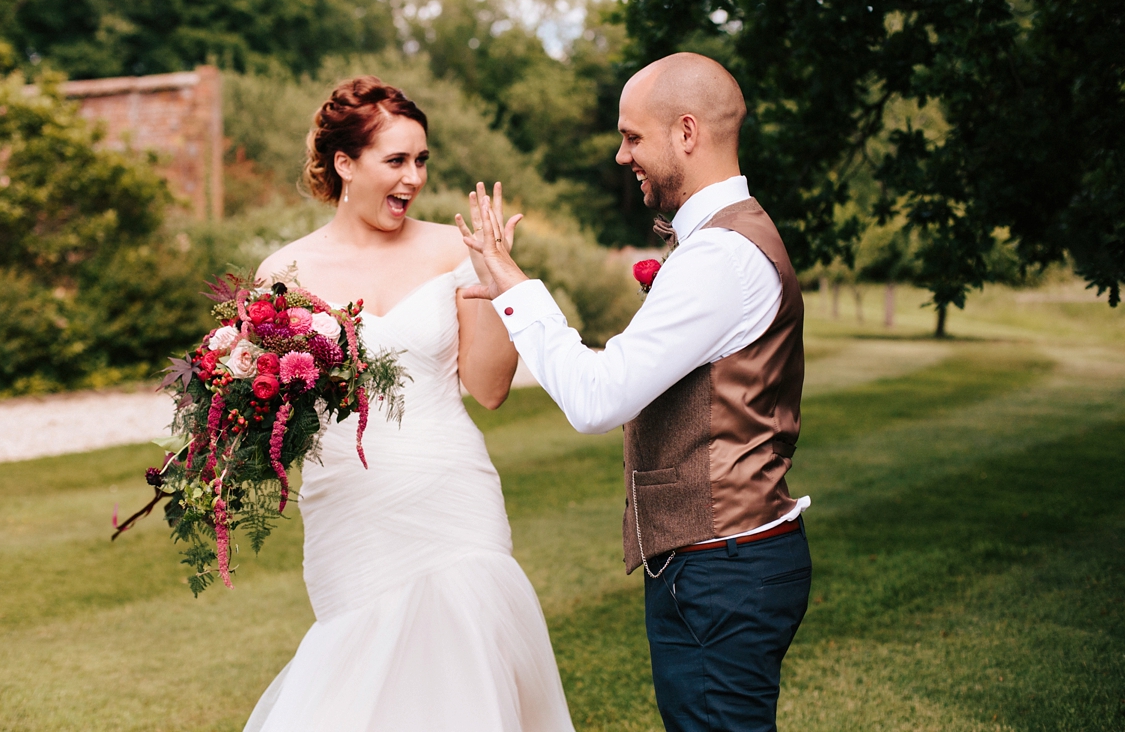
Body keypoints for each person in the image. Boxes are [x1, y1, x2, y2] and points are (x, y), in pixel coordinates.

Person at [457, 52, 812, 732]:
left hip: (723, 571)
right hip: (723, 563)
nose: (622, 156)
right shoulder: (720, 242)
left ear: (686, 132)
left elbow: (597, 398)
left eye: (631, 136)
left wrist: (517, 287)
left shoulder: (718, 258)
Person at [244, 76, 575, 732]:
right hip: (351, 512)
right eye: (396, 160)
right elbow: (268, 420)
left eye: (421, 160)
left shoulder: (454, 251)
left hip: (453, 497)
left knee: (469, 684)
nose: (414, 177)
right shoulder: (285, 272)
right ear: (345, 164)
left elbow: (489, 387)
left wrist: (498, 279)